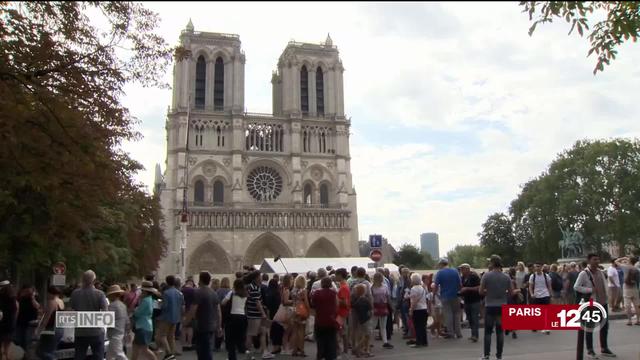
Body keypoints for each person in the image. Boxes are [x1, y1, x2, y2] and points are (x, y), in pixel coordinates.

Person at [574, 253, 616, 358]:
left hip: (603, 302)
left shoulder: (601, 272)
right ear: (589, 261)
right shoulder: (584, 274)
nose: (597, 261)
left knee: (605, 326)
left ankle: (604, 348)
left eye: (598, 259)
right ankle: (590, 350)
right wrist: (589, 290)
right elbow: (576, 287)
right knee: (590, 327)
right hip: (592, 303)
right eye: (594, 259)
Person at [479, 255, 513, 360]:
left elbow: (480, 291)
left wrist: (488, 292)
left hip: (490, 306)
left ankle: (486, 355)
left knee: (488, 332)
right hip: (502, 306)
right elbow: (510, 293)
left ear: (492, 263)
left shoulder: (486, 276)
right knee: (500, 332)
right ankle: (499, 355)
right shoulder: (506, 277)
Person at [70, 270, 109, 360]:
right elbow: (105, 312)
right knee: (98, 356)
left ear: (83, 280)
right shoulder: (100, 294)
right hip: (96, 331)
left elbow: (70, 310)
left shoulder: (75, 293)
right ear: (94, 281)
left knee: (79, 356)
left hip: (80, 331)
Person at [184, 271, 221, 360]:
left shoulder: (198, 292)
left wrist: (186, 322)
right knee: (207, 349)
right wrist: (219, 326)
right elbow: (218, 312)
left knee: (202, 351)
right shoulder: (214, 293)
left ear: (200, 280)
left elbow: (193, 309)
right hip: (212, 325)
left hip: (201, 325)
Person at [244, 271, 273, 359]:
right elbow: (257, 302)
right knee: (251, 334)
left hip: (255, 314)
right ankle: (247, 352)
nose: (261, 277)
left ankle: (264, 352)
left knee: (263, 332)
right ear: (256, 277)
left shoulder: (254, 286)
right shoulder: (253, 287)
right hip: (254, 314)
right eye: (260, 276)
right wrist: (263, 314)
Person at [156, 275, 184, 360]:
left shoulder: (166, 293)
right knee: (171, 336)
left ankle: (168, 353)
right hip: (176, 316)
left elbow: (164, 306)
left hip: (166, 316)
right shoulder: (179, 293)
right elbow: (182, 305)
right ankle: (172, 352)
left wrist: (159, 303)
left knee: (161, 335)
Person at [434, 258, 462, 339]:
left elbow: (436, 286)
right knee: (457, 314)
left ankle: (451, 333)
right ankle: (458, 333)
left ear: (441, 264)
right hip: (456, 295)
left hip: (445, 296)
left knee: (448, 314)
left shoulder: (439, 273)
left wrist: (433, 295)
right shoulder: (455, 271)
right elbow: (460, 284)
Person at [311, 277, 338, 360]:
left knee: (320, 341)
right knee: (331, 341)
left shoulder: (316, 293)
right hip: (331, 320)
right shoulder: (334, 293)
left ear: (322, 283)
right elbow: (337, 305)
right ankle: (330, 356)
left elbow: (313, 304)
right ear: (330, 283)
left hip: (320, 320)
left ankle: (320, 355)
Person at [132, 281, 160, 360]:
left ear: (145, 291)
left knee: (143, 349)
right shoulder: (150, 299)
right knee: (137, 348)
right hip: (147, 326)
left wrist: (135, 309)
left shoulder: (145, 301)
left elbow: (137, 313)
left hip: (142, 326)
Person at [221, 279, 248, 360]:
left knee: (231, 339)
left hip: (233, 317)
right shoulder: (245, 294)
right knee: (241, 338)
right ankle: (246, 352)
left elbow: (223, 302)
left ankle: (232, 357)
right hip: (243, 317)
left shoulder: (232, 293)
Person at [35, 286, 64, 360]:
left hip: (51, 330)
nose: (47, 295)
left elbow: (46, 318)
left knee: (41, 352)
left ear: (50, 293)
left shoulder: (51, 302)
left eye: (48, 293)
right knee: (51, 351)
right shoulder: (60, 301)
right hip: (60, 328)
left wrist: (38, 331)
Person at [458, 264, 481, 342]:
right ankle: (473, 334)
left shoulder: (474, 276)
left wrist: (467, 289)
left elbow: (479, 287)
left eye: (462, 269)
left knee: (475, 318)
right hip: (467, 301)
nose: (461, 271)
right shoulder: (462, 278)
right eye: (461, 269)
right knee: (470, 318)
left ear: (467, 269)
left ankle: (475, 335)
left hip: (475, 300)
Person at [106, 285, 129, 360]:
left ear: (113, 295)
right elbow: (127, 321)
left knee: (119, 355)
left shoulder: (112, 306)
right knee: (110, 356)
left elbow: (107, 320)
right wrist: (127, 332)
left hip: (114, 333)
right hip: (121, 332)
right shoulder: (123, 305)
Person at [528, 262, 552, 335]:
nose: (537, 268)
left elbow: (549, 285)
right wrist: (531, 294)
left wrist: (550, 294)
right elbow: (530, 286)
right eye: (536, 267)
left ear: (541, 267)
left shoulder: (546, 276)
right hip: (536, 296)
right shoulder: (533, 276)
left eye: (538, 266)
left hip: (545, 295)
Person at [14, 284, 39, 352]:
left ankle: (26, 355)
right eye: (26, 290)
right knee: (18, 341)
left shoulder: (34, 297)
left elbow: (37, 306)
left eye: (29, 290)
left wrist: (32, 297)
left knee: (27, 341)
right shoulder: (19, 297)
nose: (27, 292)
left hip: (30, 323)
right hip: (20, 321)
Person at [371, 272, 393, 349]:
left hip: (382, 306)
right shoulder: (372, 287)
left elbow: (388, 297)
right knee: (375, 325)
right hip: (377, 306)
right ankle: (371, 341)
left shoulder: (383, 287)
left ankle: (385, 341)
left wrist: (390, 306)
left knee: (381, 325)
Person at [291, 275, 309, 357]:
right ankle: (302, 350)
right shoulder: (303, 290)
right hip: (302, 311)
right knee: (301, 331)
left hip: (294, 310)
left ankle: (294, 350)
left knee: (295, 331)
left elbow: (292, 301)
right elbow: (306, 302)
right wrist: (308, 310)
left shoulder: (293, 290)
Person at [351, 283, 372, 357]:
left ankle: (362, 350)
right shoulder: (365, 300)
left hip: (360, 319)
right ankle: (358, 348)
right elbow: (370, 309)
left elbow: (353, 306)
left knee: (362, 334)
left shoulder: (357, 301)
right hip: (366, 319)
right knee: (367, 335)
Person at [408, 273, 428, 348]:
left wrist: (411, 310)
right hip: (424, 308)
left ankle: (418, 342)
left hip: (417, 309)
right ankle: (424, 341)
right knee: (423, 326)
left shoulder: (413, 289)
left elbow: (413, 301)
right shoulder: (423, 288)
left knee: (417, 326)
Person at [619, 257, 640, 325]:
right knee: (636, 305)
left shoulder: (625, 267)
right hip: (635, 288)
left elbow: (616, 262)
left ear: (630, 261)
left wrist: (624, 258)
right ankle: (638, 320)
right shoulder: (636, 269)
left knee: (627, 305)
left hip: (626, 288)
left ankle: (629, 320)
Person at [334, 268, 350, 355]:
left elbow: (344, 302)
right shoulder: (343, 285)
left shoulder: (343, 287)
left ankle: (340, 350)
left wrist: (335, 299)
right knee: (342, 331)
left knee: (339, 331)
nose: (335, 277)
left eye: (336, 275)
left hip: (341, 312)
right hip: (342, 312)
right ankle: (344, 350)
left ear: (340, 275)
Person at [215, 277, 232, 352]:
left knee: (219, 327)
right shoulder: (230, 291)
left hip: (221, 311)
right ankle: (228, 345)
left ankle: (217, 345)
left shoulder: (218, 291)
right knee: (228, 329)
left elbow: (217, 302)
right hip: (229, 312)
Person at [180, 279, 196, 351]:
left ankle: (183, 344)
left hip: (183, 310)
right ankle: (189, 344)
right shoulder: (194, 291)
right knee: (190, 328)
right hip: (191, 310)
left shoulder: (182, 290)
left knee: (183, 328)